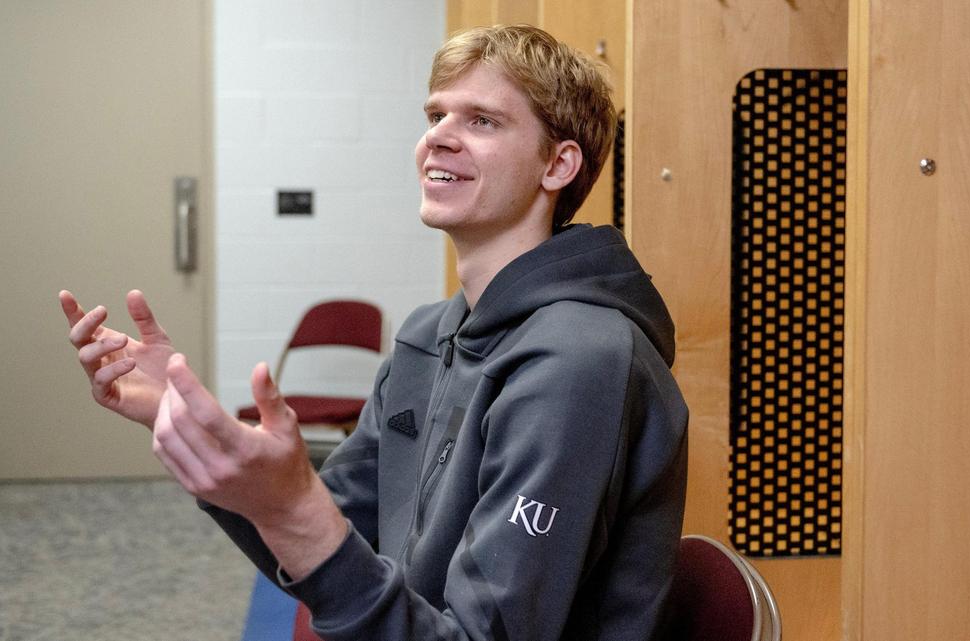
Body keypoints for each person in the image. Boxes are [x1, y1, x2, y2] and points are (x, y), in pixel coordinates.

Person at [60, 25, 688, 641]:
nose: (438, 138)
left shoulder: (581, 359)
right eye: (435, 115)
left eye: (482, 121)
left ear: (558, 164)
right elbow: (332, 546)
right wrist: (189, 424)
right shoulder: (429, 335)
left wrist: (299, 515)